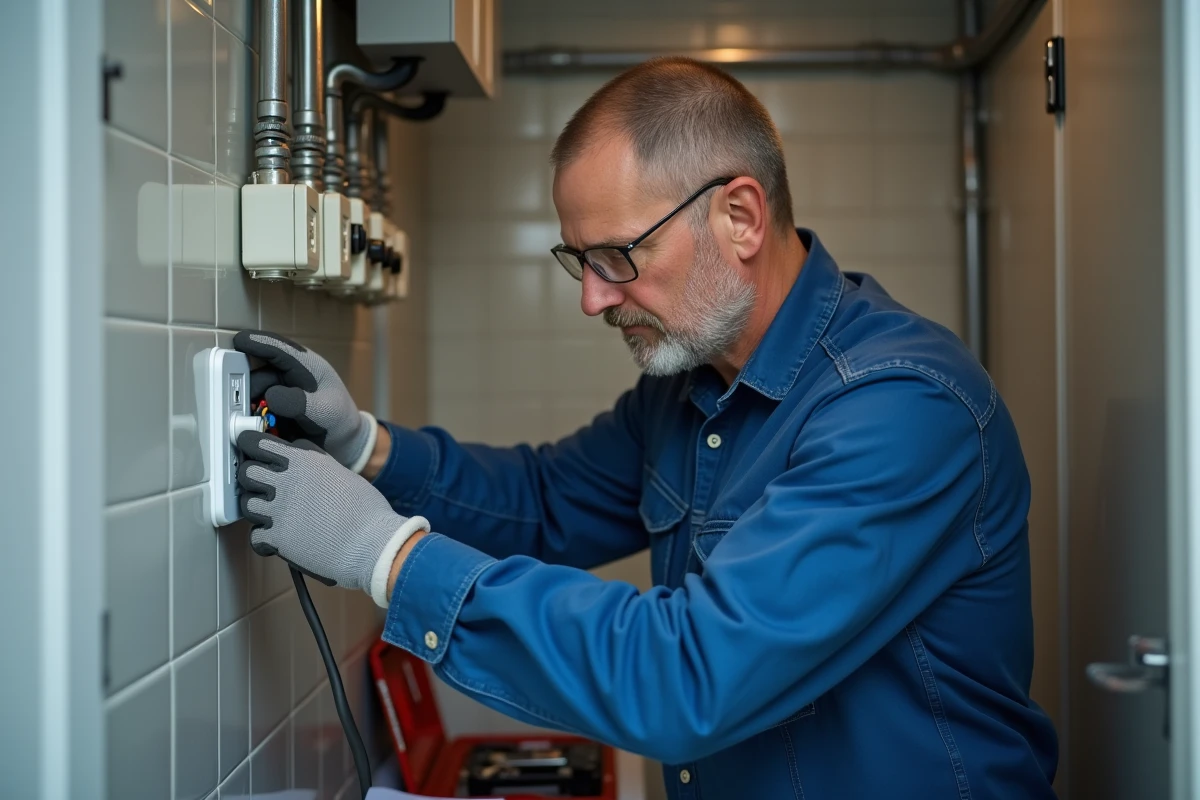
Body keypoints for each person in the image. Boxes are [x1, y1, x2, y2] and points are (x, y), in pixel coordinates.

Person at [232, 57, 1059, 799]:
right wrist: (365, 445)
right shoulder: (691, 389)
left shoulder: (900, 409)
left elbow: (689, 677)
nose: (593, 298)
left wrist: (386, 556)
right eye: (579, 261)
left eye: (617, 257)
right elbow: (546, 499)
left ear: (741, 216)